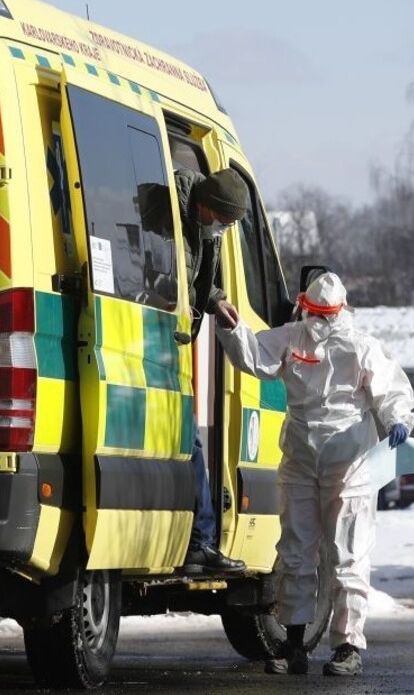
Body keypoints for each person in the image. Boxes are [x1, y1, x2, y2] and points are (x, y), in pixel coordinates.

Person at [215, 271, 414, 676]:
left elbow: (392, 390)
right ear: (305, 308)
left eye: (325, 315)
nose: (319, 324)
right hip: (302, 460)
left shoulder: (360, 347)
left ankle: (347, 646)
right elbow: (254, 356)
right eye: (315, 314)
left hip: (350, 465)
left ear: (338, 311)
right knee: (295, 552)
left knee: (348, 554)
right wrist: (233, 327)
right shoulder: (292, 338)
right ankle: (294, 645)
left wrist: (399, 419)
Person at [172, 167, 249, 575]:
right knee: (189, 441)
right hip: (157, 341)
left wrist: (216, 298)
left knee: (189, 441)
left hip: (174, 341)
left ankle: (197, 539)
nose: (221, 229)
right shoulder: (168, 209)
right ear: (205, 206)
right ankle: (199, 541)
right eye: (221, 221)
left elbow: (195, 275)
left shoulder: (199, 225)